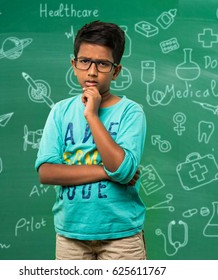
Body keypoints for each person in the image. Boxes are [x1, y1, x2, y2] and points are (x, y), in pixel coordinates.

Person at [35, 21, 147, 260]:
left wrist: (92, 115)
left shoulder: (131, 112)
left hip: (121, 236)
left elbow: (122, 169)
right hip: (71, 235)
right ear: (74, 65)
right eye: (85, 61)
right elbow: (47, 172)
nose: (92, 71)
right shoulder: (60, 112)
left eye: (103, 64)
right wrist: (106, 172)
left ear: (116, 71)